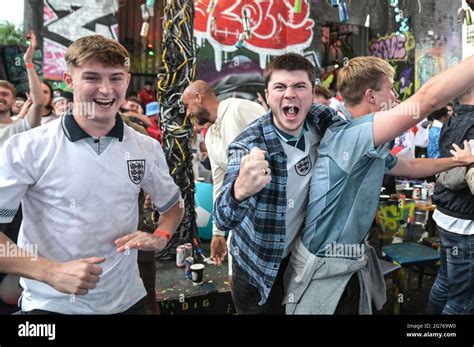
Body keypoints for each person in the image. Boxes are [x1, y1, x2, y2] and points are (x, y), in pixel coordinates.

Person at [0, 34, 184, 314]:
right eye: (92, 77)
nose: (106, 89)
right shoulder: (28, 147)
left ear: (127, 79)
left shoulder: (145, 146)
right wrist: (49, 271)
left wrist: (161, 234)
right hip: (51, 306)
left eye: (116, 77)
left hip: (127, 301)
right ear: (69, 80)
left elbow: (172, 206)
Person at [283, 55, 474, 315]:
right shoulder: (350, 135)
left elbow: (411, 167)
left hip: (344, 264)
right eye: (391, 88)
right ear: (371, 96)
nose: (396, 95)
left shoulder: (364, 141)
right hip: (324, 271)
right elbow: (427, 100)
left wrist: (457, 161)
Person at [213, 53, 338, 314]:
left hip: (299, 259)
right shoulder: (248, 146)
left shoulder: (320, 120)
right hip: (255, 268)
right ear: (267, 96)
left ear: (312, 93)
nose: (289, 94)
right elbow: (223, 218)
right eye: (280, 87)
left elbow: (356, 133)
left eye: (299, 86)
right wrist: (240, 190)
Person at [182, 80, 265, 274]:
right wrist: (218, 233)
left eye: (187, 106)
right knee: (235, 277)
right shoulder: (210, 136)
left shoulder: (237, 107)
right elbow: (220, 182)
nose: (187, 113)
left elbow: (276, 135)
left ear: (198, 97)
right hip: (240, 220)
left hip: (267, 215)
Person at [427, 86, 474, 314]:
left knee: (445, 283)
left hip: (448, 217)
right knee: (462, 300)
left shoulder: (453, 118)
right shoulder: (471, 124)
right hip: (464, 225)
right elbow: (458, 177)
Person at [0, 32, 44, 145]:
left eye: (5, 94)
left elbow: (38, 103)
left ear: (14, 100)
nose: (0, 97)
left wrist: (28, 62)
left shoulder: (20, 127)